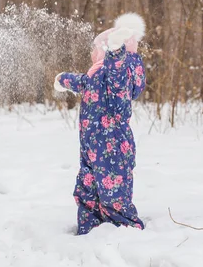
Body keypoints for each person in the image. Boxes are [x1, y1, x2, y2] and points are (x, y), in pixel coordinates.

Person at [54, 13, 146, 235]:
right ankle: (90, 229)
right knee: (87, 190)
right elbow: (81, 81)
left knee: (113, 193)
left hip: (112, 146)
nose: (91, 53)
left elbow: (118, 73)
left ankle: (124, 231)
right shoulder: (95, 75)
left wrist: (116, 51)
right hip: (91, 148)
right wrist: (62, 79)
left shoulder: (118, 73)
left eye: (95, 49)